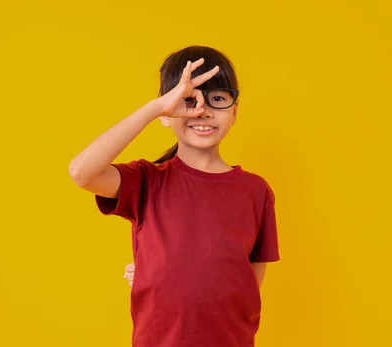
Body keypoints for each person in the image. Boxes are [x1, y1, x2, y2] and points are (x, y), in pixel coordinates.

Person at [69, 45, 280, 347]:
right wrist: (155, 108)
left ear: (235, 111)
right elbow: (81, 172)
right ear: (168, 112)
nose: (202, 110)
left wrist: (176, 275)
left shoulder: (256, 190)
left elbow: (252, 274)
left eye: (217, 99)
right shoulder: (147, 180)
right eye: (188, 99)